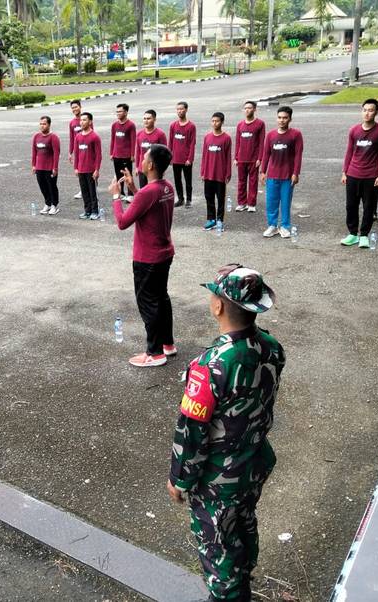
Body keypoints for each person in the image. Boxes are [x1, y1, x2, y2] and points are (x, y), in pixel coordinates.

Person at [167, 264, 285, 602]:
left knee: (218, 546)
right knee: (243, 523)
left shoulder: (211, 365)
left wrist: (179, 479)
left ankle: (229, 594)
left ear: (218, 305)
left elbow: (191, 432)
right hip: (254, 462)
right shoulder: (271, 347)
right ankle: (243, 579)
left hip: (219, 477)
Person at [109, 144, 177, 367]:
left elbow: (122, 222)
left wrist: (116, 196)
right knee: (161, 299)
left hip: (147, 257)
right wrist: (133, 187)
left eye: (145, 157)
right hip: (164, 253)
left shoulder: (149, 192)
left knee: (148, 303)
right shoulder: (166, 187)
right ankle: (167, 344)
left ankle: (154, 353)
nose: (141, 160)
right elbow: (147, 205)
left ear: (150, 165)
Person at [340, 99, 378, 248]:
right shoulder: (354, 130)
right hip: (353, 174)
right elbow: (349, 152)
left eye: (371, 110)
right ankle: (352, 234)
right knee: (351, 206)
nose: (367, 113)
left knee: (369, 207)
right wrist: (344, 172)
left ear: (376, 112)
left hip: (371, 176)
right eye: (365, 110)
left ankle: (364, 235)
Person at [260, 106, 303, 240]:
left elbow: (298, 155)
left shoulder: (296, 135)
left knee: (285, 202)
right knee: (271, 202)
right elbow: (266, 154)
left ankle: (284, 226)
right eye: (279, 117)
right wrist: (263, 171)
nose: (282, 120)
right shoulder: (270, 135)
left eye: (285, 118)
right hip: (272, 175)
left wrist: (296, 173)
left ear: (290, 119)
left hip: (287, 176)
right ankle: (272, 226)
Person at [200, 112, 232, 231]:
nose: (214, 123)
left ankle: (219, 220)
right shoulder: (207, 137)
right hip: (208, 174)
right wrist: (203, 172)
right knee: (209, 197)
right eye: (213, 121)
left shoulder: (226, 138)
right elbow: (204, 156)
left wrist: (228, 173)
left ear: (222, 122)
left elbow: (228, 157)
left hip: (220, 175)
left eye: (217, 121)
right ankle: (211, 219)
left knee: (220, 199)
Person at [234, 101, 265, 213]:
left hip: (253, 159)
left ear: (255, 109)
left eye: (250, 108)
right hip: (241, 158)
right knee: (241, 181)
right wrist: (236, 157)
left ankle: (251, 203)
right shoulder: (240, 125)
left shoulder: (260, 124)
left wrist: (260, 158)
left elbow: (262, 142)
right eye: (245, 108)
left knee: (253, 182)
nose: (247, 110)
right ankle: (242, 203)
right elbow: (237, 142)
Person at [73, 111, 102, 220]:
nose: (82, 122)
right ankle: (87, 211)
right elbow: (76, 154)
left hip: (91, 170)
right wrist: (76, 168)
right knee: (84, 192)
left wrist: (97, 169)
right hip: (81, 170)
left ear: (90, 122)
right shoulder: (78, 137)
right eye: (81, 120)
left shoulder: (95, 137)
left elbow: (98, 155)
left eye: (84, 120)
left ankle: (95, 211)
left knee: (92, 192)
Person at [168, 101, 197, 207]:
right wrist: (169, 157)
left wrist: (190, 159)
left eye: (181, 109)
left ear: (186, 110)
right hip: (175, 159)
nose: (179, 111)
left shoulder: (191, 126)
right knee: (177, 180)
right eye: (178, 109)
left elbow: (192, 143)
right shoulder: (173, 125)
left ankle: (189, 200)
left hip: (186, 160)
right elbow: (170, 142)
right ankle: (180, 199)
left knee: (188, 181)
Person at [31, 115, 61, 215]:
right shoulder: (36, 136)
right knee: (42, 186)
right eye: (40, 124)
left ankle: (54, 205)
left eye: (44, 124)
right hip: (39, 167)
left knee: (52, 187)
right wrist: (34, 165)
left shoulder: (53, 137)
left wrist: (55, 167)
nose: (42, 126)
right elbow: (34, 152)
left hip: (49, 168)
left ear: (49, 125)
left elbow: (56, 153)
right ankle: (47, 203)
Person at [135, 110, 168, 189]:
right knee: (143, 190)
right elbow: (138, 151)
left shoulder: (160, 134)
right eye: (144, 118)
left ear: (154, 119)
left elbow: (164, 154)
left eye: (148, 118)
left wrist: (162, 169)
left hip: (155, 170)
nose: (146, 121)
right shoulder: (139, 134)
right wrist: (137, 167)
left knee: (155, 190)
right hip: (142, 169)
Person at [110, 103, 136, 200]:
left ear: (126, 112)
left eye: (120, 111)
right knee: (118, 175)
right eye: (117, 112)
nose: (118, 113)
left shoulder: (131, 125)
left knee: (127, 175)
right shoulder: (114, 125)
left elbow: (133, 141)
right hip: (116, 155)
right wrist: (111, 153)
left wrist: (132, 155)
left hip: (126, 156)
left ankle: (130, 194)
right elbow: (113, 140)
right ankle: (121, 193)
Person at [68, 99, 92, 200]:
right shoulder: (72, 123)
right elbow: (71, 138)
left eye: (76, 107)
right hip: (78, 150)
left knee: (89, 169)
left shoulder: (86, 119)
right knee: (79, 169)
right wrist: (70, 152)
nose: (74, 109)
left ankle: (92, 189)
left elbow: (92, 134)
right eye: (72, 108)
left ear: (80, 107)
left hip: (87, 149)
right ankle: (83, 190)